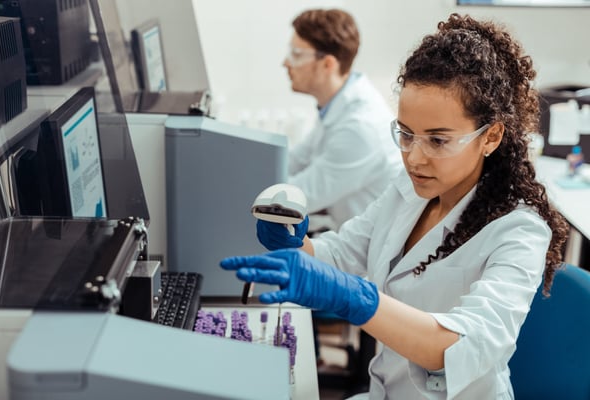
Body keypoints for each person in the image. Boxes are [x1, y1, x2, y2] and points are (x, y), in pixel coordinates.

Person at [221, 13, 570, 399]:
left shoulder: (519, 230)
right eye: (406, 134)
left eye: (438, 141)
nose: (414, 159)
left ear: (490, 137)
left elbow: (464, 346)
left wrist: (356, 300)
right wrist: (295, 245)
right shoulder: (410, 190)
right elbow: (343, 253)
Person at [283, 8, 402, 230]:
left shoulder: (359, 127)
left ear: (328, 64)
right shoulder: (336, 106)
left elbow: (298, 196)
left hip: (365, 257)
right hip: (347, 235)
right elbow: (294, 160)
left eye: (296, 55)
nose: (286, 63)